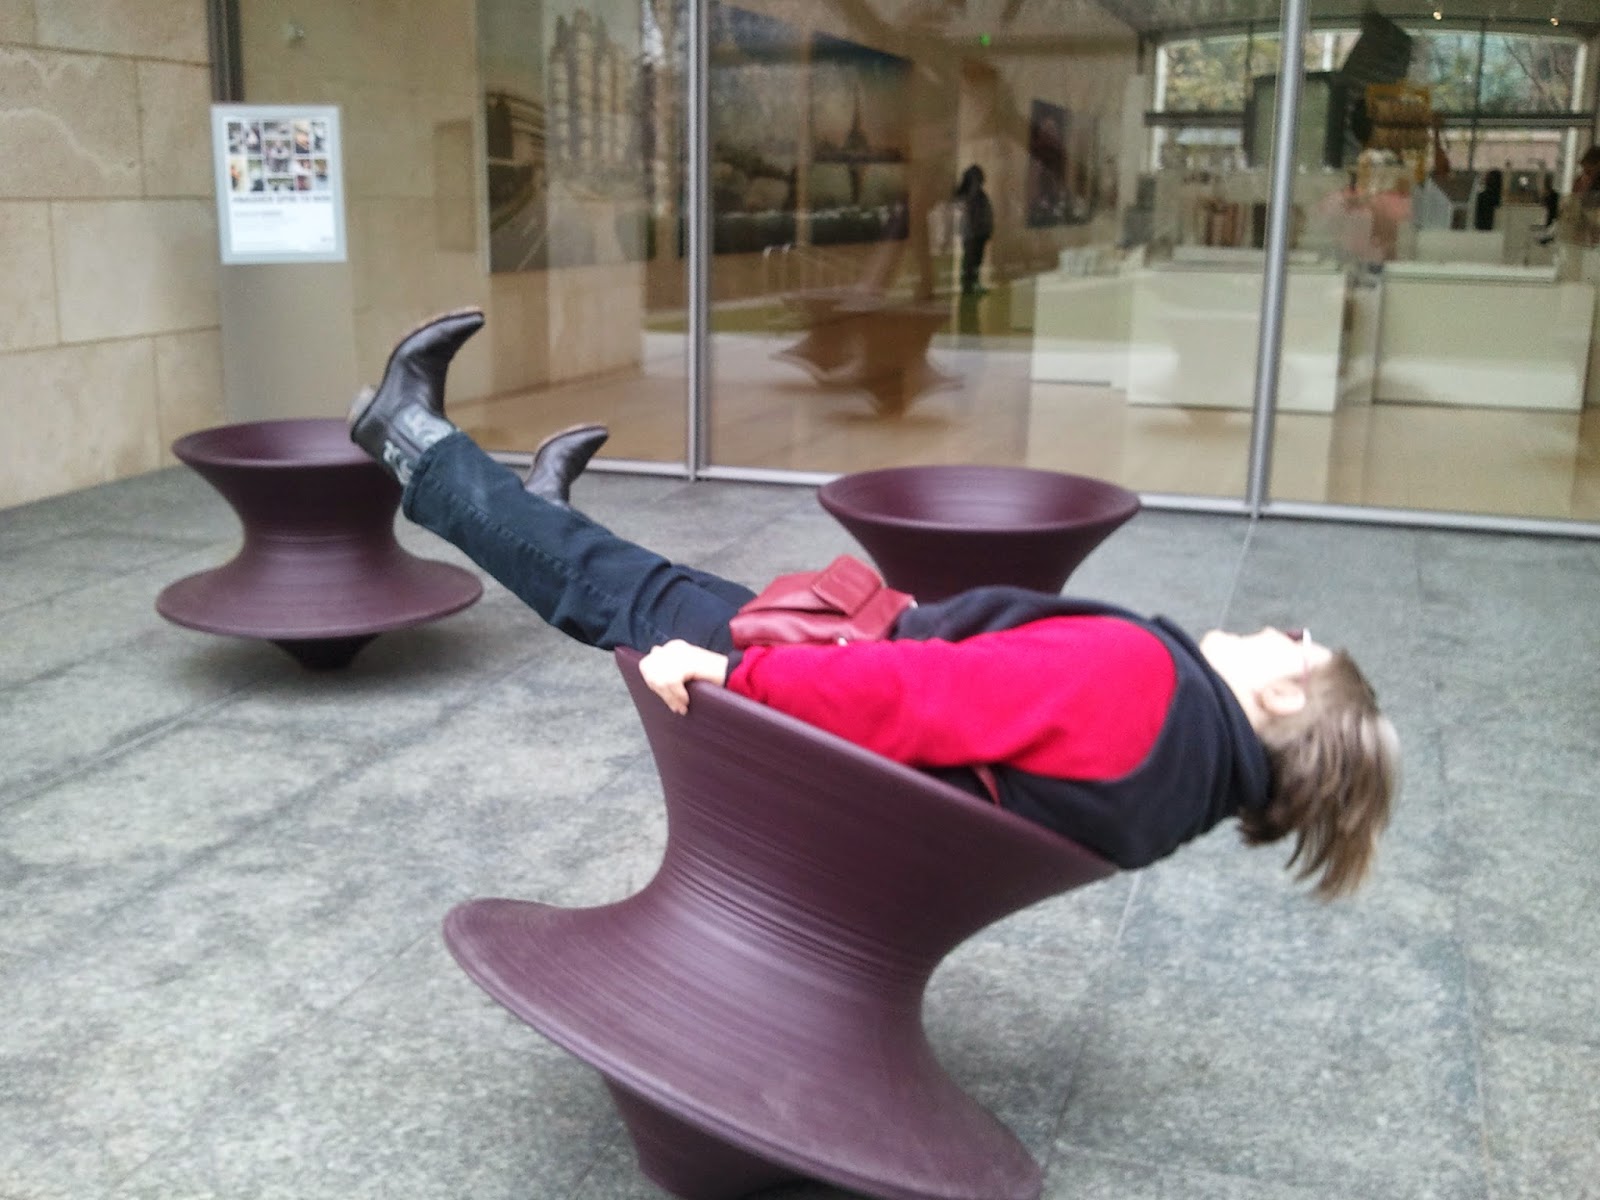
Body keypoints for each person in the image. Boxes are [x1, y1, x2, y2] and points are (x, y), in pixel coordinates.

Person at [348, 310, 1399, 899]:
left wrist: (739, 675)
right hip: (859, 751)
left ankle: (411, 440)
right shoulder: (1187, 786)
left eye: (1297, 645)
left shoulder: (1145, 684)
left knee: (620, 598)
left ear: (1282, 694)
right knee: (647, 585)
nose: (1283, 630)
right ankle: (540, 516)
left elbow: (920, 696)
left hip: (824, 713)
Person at [953, 164, 993, 296]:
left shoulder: (980, 195)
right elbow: (967, 213)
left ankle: (974, 284)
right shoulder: (966, 195)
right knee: (970, 260)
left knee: (977, 260)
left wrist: (987, 229)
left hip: (980, 232)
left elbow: (985, 213)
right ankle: (967, 285)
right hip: (971, 233)